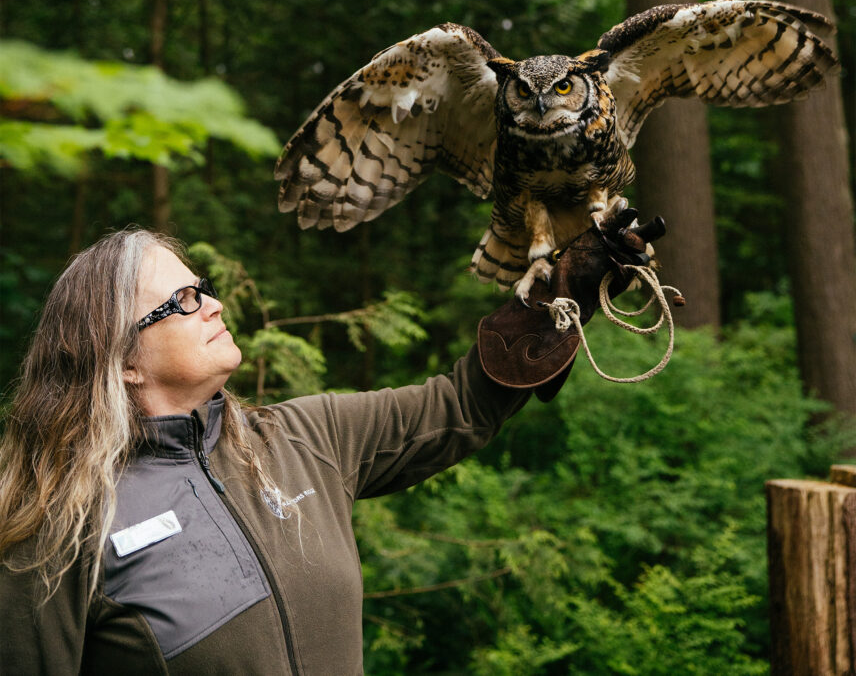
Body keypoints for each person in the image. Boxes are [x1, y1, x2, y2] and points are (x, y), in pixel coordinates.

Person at [0, 216, 646, 674]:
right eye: (184, 299)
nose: (215, 304)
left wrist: (564, 295)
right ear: (123, 360)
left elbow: (461, 405)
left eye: (206, 287)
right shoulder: (57, 523)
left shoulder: (307, 437)